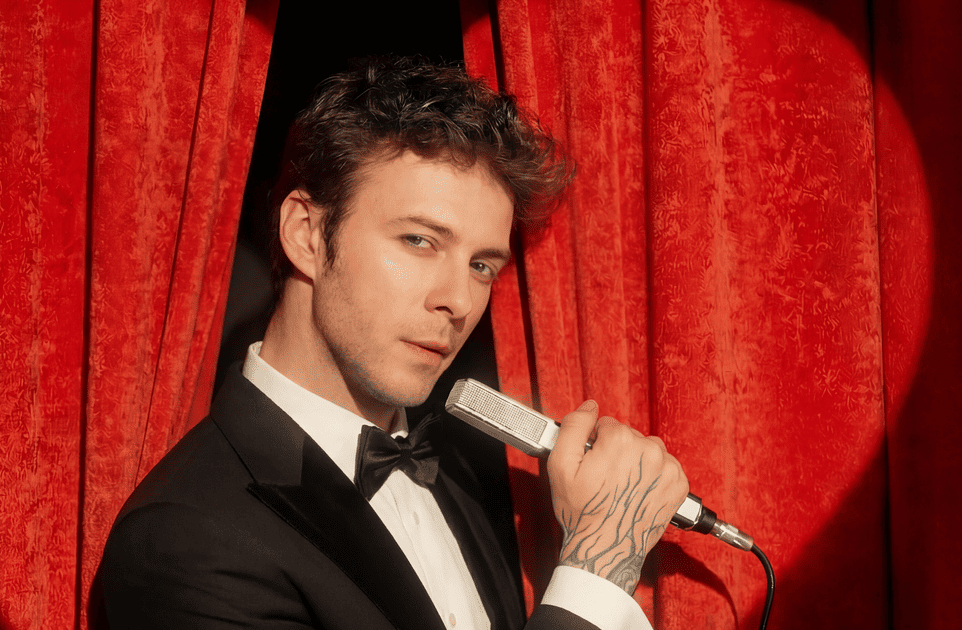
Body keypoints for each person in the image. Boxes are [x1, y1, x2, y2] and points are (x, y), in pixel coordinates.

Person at [100, 56, 689, 630]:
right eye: (419, 241)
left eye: (482, 266)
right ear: (306, 234)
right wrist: (595, 569)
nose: (458, 300)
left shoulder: (460, 471)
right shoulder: (183, 538)